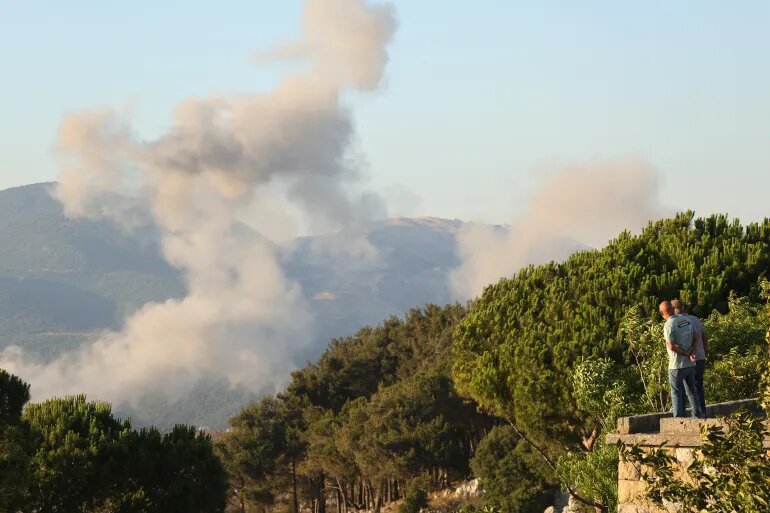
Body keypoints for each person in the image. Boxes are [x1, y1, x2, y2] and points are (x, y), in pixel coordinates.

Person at [659, 300, 704, 418]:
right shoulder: (687, 320)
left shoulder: (669, 324)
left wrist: (684, 353)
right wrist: (692, 352)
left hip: (676, 365)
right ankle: (697, 416)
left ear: (662, 313)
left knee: (676, 393)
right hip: (690, 364)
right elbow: (697, 337)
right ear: (672, 310)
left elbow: (671, 346)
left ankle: (678, 420)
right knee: (692, 391)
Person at [672, 299, 708, 417]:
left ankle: (682, 417)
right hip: (700, 356)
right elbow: (704, 337)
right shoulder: (695, 319)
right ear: (685, 308)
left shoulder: (676, 322)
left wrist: (688, 353)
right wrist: (704, 353)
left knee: (683, 389)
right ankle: (702, 413)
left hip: (687, 359)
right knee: (697, 387)